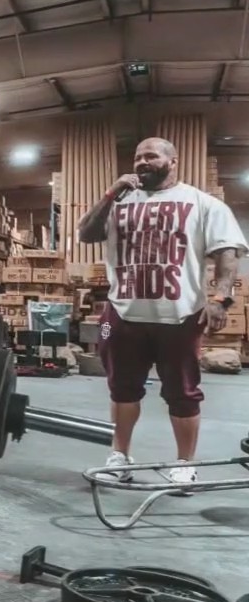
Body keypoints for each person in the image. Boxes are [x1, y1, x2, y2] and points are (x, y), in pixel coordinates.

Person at [77, 136, 247, 486]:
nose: (142, 162)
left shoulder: (202, 203)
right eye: (138, 157)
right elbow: (86, 234)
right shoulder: (119, 203)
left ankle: (184, 463)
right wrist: (110, 193)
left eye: (151, 156)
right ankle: (120, 455)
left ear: (173, 161)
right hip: (123, 313)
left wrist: (220, 299)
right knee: (121, 389)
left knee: (183, 393)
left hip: (179, 316)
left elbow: (228, 252)